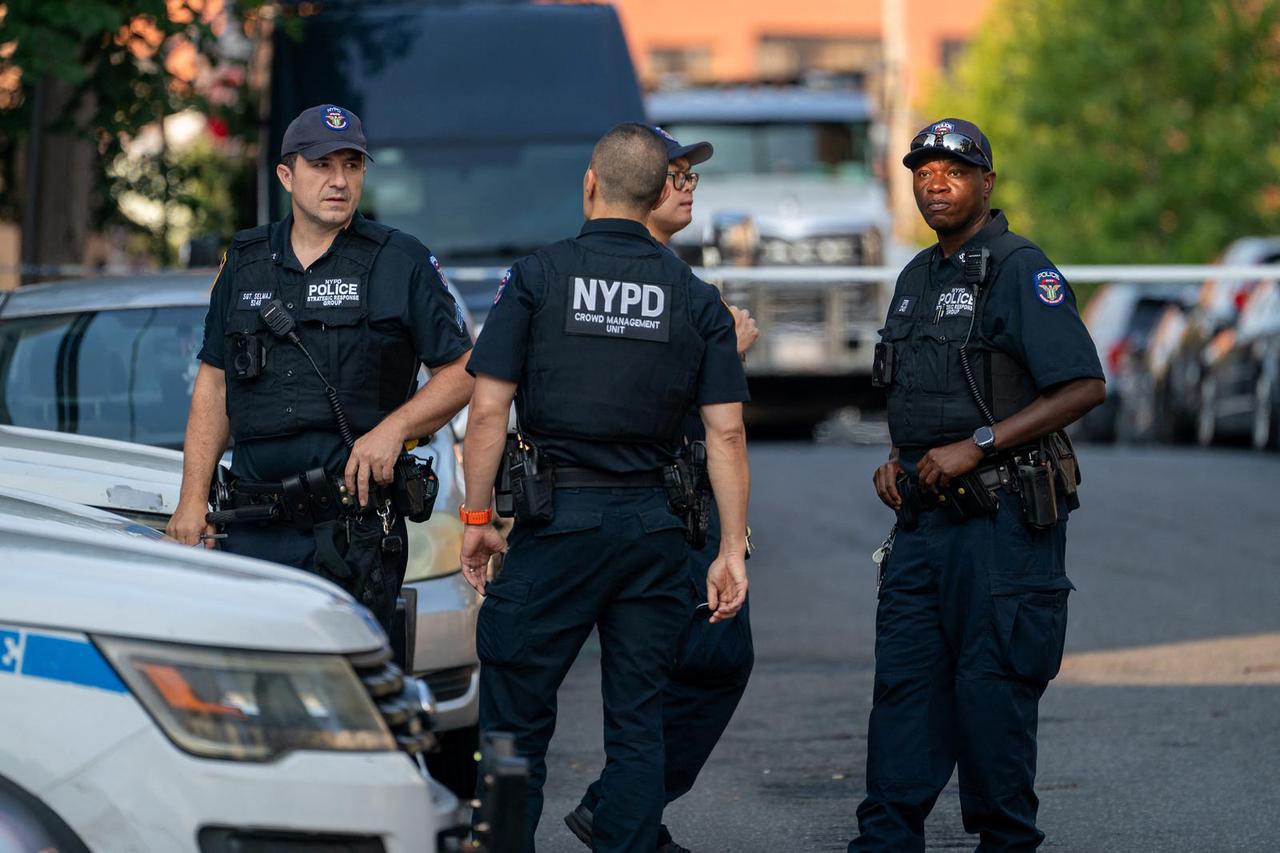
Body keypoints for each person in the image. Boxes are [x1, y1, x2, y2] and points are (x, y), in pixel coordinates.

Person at [459, 122, 752, 853]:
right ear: (659, 192)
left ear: (590, 184)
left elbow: (488, 409)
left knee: (513, 716)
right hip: (655, 532)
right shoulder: (694, 297)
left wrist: (477, 517)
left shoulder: (536, 278)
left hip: (556, 525)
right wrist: (731, 551)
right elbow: (726, 435)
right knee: (639, 721)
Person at [849, 118, 1105, 852]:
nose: (936, 183)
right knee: (902, 695)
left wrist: (979, 444)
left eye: (953, 171)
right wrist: (898, 456)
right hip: (924, 527)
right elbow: (916, 391)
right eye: (923, 171)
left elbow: (1085, 384)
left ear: (985, 183)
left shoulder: (1021, 266)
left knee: (991, 698)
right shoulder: (914, 278)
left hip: (1003, 526)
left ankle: (1005, 841)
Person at [166, 104, 474, 634]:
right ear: (287, 174)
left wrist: (393, 430)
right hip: (253, 527)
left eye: (352, 165)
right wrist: (191, 500)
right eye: (322, 165)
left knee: (350, 690)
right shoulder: (245, 261)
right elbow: (215, 380)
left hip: (353, 529)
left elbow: (465, 369)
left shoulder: (400, 260)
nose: (339, 180)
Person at [564, 127, 759, 853]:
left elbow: (722, 428)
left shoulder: (686, 282)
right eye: (673, 173)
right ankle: (622, 815)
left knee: (696, 662)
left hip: (681, 504)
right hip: (642, 510)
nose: (687, 184)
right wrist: (720, 356)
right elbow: (621, 409)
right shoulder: (614, 278)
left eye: (691, 174)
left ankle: (625, 813)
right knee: (689, 662)